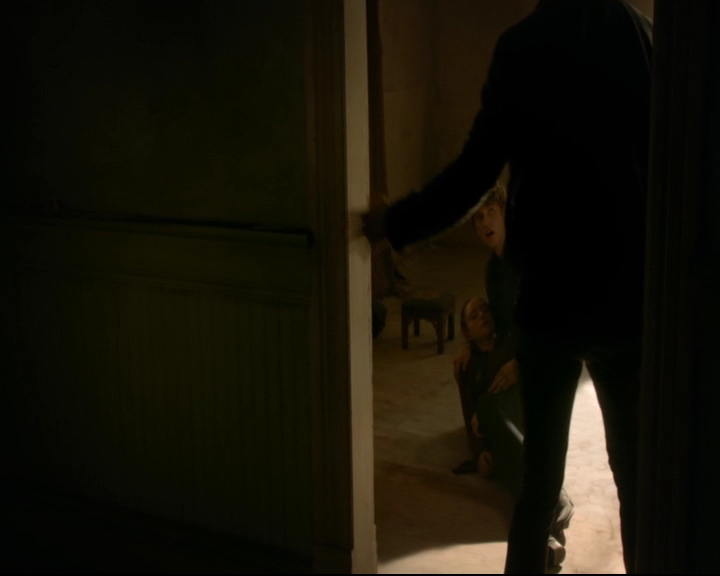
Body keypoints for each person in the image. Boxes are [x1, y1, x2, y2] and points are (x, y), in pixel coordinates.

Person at [361, 1, 652, 572]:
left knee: (539, 482)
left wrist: (395, 223)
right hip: (628, 294)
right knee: (638, 480)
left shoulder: (525, 44)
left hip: (551, 295)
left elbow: (475, 172)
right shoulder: (642, 36)